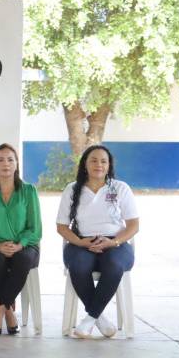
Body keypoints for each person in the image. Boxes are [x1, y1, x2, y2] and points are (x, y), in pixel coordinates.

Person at [57, 144, 139, 338]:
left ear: (109, 165)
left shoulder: (120, 188)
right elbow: (61, 227)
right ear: (85, 164)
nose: (98, 165)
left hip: (115, 243)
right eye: (93, 160)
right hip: (82, 242)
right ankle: (100, 318)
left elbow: (134, 225)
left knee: (114, 264)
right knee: (78, 265)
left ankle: (89, 320)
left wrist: (114, 242)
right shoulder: (72, 189)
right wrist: (80, 242)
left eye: (103, 161)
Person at [0, 143, 42, 336]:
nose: (6, 164)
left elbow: (35, 229)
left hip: (25, 246)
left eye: (10, 159)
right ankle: (10, 312)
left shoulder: (29, 191)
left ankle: (1, 310)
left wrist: (20, 245)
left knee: (22, 260)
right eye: (0, 160)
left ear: (17, 164)